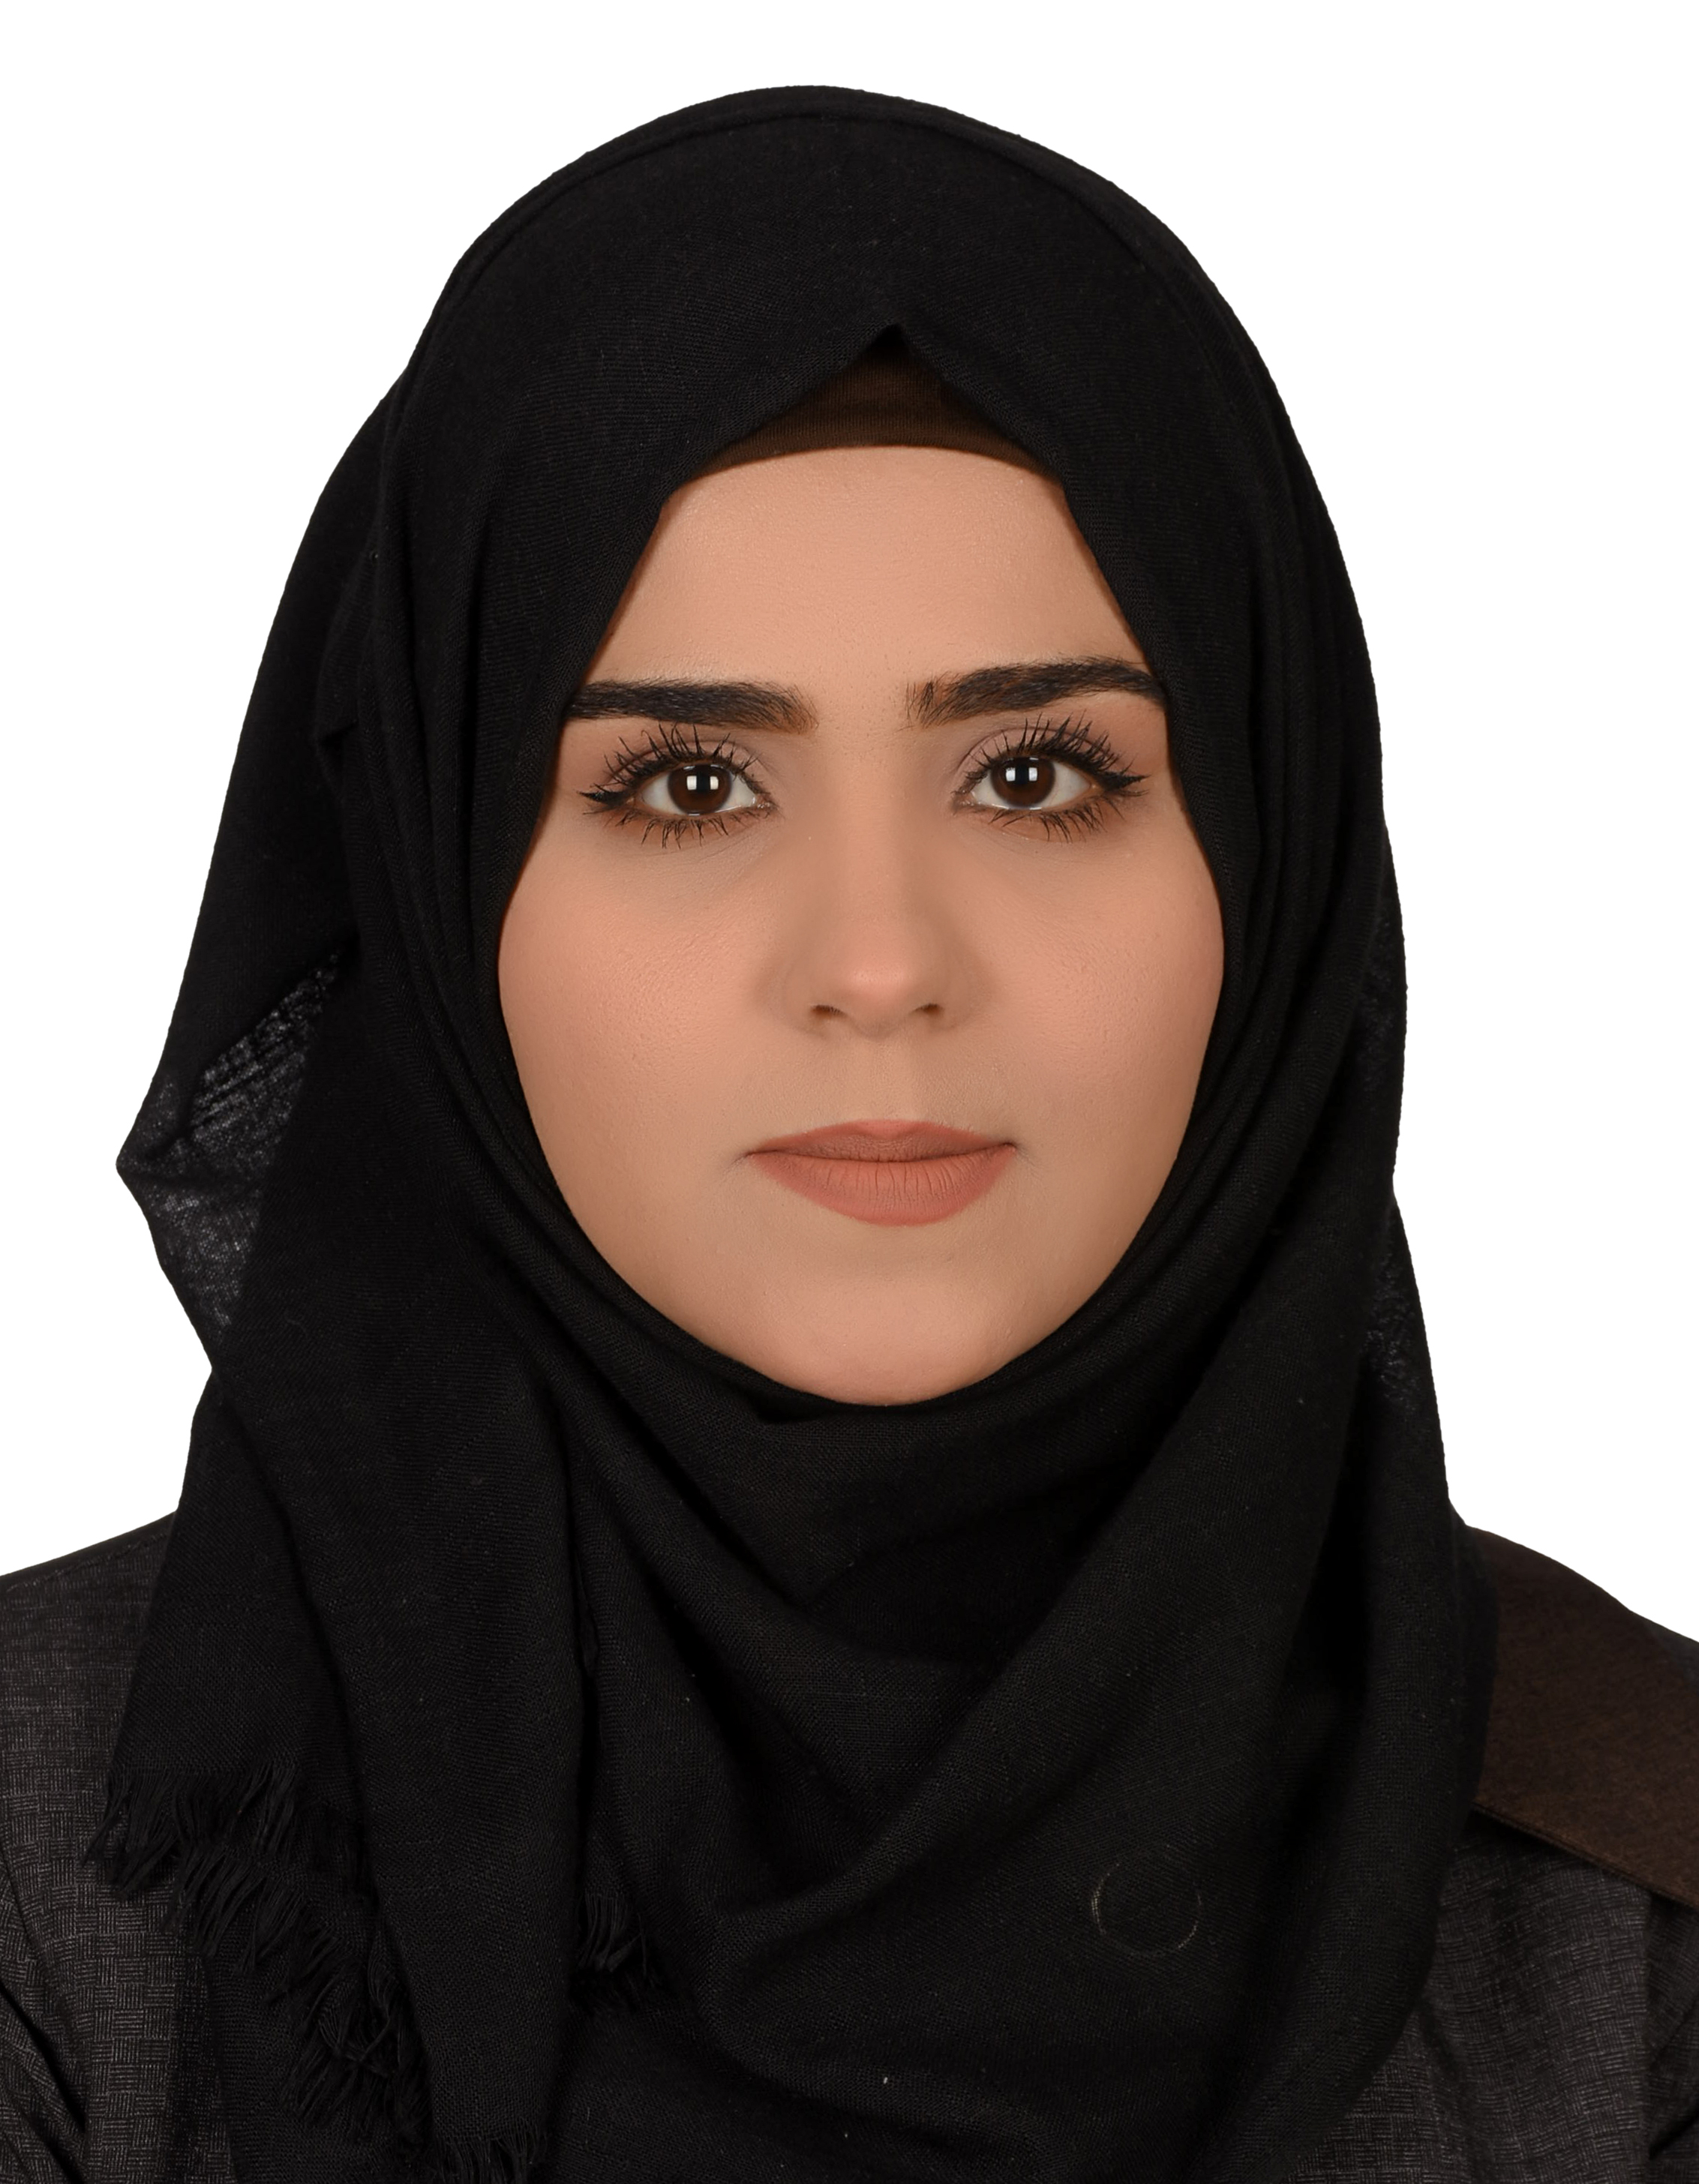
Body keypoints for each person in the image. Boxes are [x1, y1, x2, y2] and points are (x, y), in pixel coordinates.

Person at [2, 86, 1695, 2184]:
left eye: (1036, 776)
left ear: (1277, 879)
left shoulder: (1635, 1912)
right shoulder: (49, 1881)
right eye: (689, 785)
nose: (880, 965)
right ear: (433, 892)